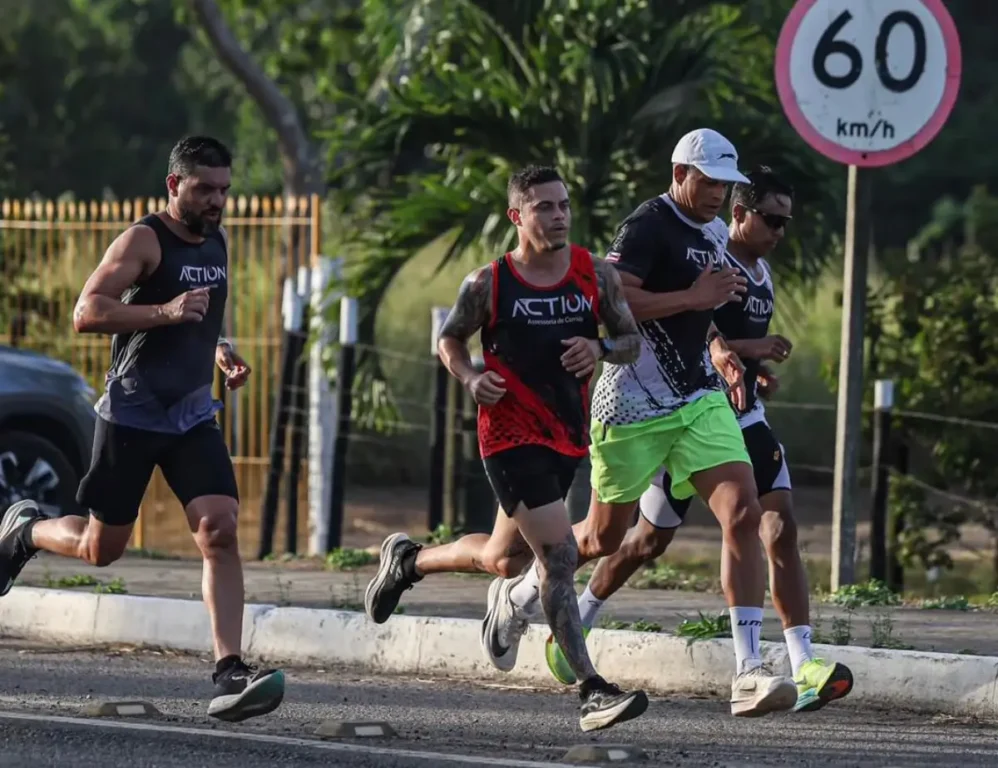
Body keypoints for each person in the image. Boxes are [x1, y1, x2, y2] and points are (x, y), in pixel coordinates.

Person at [480, 129, 800, 718]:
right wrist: (692, 296)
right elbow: (614, 302)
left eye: (727, 184)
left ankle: (749, 669)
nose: (718, 194)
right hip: (630, 405)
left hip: (699, 398)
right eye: (709, 182)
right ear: (680, 173)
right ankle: (522, 594)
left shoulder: (711, 231)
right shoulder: (647, 225)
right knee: (603, 538)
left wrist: (724, 349)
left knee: (744, 510)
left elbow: (700, 311)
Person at [544, 166, 854, 713]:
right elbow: (690, 329)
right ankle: (577, 618)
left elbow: (715, 334)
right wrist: (730, 354)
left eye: (787, 221)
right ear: (741, 213)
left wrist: (750, 368)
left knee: (770, 522)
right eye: (772, 219)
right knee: (637, 540)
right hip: (671, 412)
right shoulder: (709, 251)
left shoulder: (760, 273)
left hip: (734, 417)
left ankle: (796, 663)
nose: (781, 231)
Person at [0, 136, 284, 723]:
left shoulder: (217, 240)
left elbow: (204, 319)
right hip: (130, 414)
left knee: (220, 528)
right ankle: (26, 531)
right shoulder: (142, 240)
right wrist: (164, 311)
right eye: (205, 188)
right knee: (101, 550)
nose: (217, 200)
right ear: (174, 185)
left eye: (225, 189)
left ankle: (230, 671)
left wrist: (223, 354)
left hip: (192, 417)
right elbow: (87, 312)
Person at [366, 165, 648, 732]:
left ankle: (408, 561)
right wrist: (471, 377)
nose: (559, 214)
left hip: (567, 434)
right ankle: (591, 689)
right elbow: (449, 337)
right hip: (509, 437)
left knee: (504, 559)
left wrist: (598, 348)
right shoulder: (489, 282)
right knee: (560, 557)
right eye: (544, 206)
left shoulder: (594, 273)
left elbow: (630, 341)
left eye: (563, 204)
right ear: (517, 217)